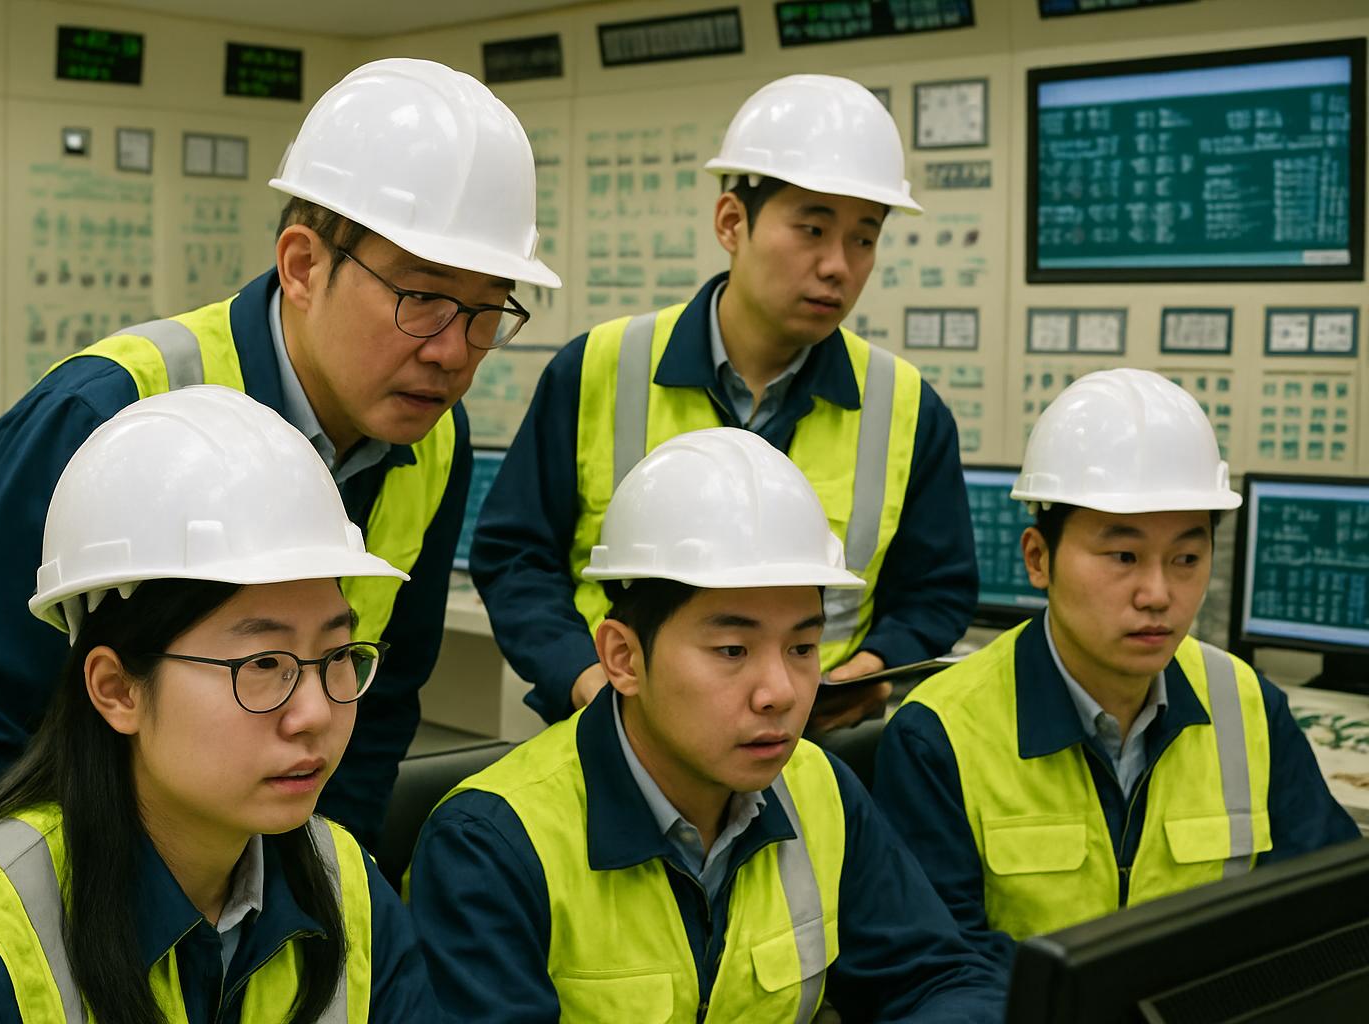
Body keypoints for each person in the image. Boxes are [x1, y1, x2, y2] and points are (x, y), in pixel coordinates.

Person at [0, 57, 561, 866]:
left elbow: (379, 708)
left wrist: (323, 905)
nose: (455, 352)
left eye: (488, 311)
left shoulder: (433, 442)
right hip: (79, 900)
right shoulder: (106, 411)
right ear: (304, 265)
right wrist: (11, 959)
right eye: (421, 299)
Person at [0, 387, 440, 1022]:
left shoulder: (349, 886)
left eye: (337, 656)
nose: (315, 712)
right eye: (264, 665)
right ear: (116, 689)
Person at [408, 428, 1005, 1022]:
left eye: (802, 648)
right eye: (731, 651)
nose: (779, 694)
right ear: (623, 658)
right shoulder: (490, 845)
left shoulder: (820, 788)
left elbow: (942, 979)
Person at [472, 73, 976, 734]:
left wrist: (869, 670)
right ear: (732, 222)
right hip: (608, 744)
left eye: (863, 237)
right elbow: (515, 558)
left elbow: (935, 591)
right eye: (812, 229)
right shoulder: (598, 367)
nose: (838, 265)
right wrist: (586, 680)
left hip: (809, 749)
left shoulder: (907, 407)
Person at [873, 369, 1361, 968]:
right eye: (1123, 555)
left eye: (1186, 557)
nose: (1157, 593)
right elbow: (943, 971)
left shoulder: (1247, 705)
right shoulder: (940, 734)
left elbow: (1325, 916)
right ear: (1038, 557)